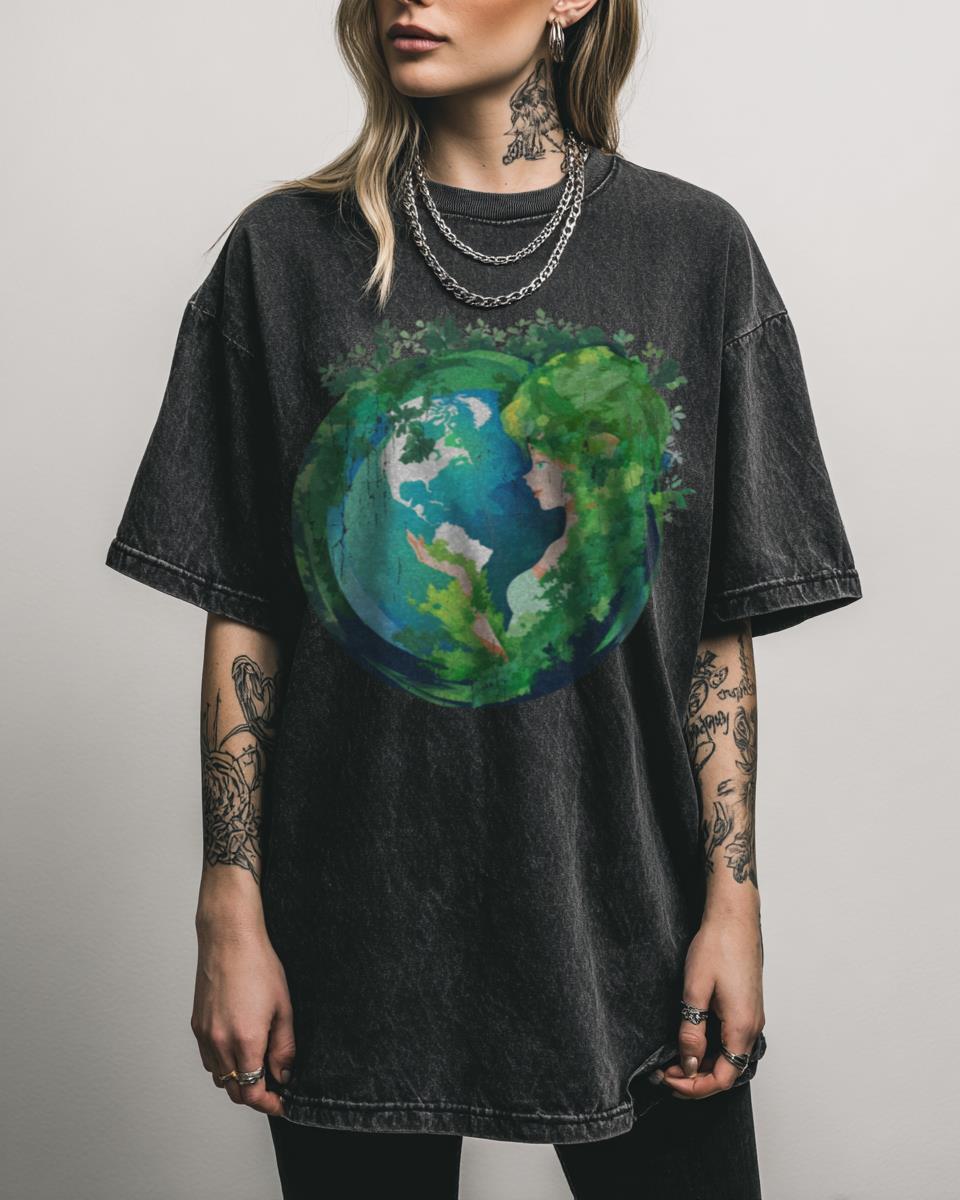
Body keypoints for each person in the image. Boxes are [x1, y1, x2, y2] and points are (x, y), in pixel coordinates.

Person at [103, 0, 864, 1195]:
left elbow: (715, 634)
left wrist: (734, 904)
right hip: (351, 931)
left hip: (630, 922)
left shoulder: (694, 251)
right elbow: (245, 610)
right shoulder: (284, 254)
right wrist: (229, 906)